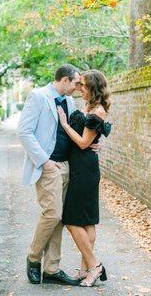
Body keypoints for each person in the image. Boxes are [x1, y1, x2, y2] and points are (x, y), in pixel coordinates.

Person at [17, 64, 99, 286]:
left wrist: (94, 144)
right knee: (52, 214)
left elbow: (78, 133)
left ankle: (52, 268)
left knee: (60, 219)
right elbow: (24, 131)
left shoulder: (70, 102)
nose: (78, 87)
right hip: (48, 166)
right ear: (65, 80)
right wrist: (44, 161)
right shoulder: (38, 96)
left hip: (68, 166)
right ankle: (33, 258)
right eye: (75, 83)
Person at [57, 69, 112, 287]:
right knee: (87, 221)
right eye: (78, 84)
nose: (79, 88)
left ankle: (95, 266)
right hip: (81, 166)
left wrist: (65, 124)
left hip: (85, 170)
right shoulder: (89, 107)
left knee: (72, 220)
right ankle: (84, 270)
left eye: (83, 85)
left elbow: (82, 142)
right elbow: (90, 140)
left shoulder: (97, 111)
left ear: (93, 87)